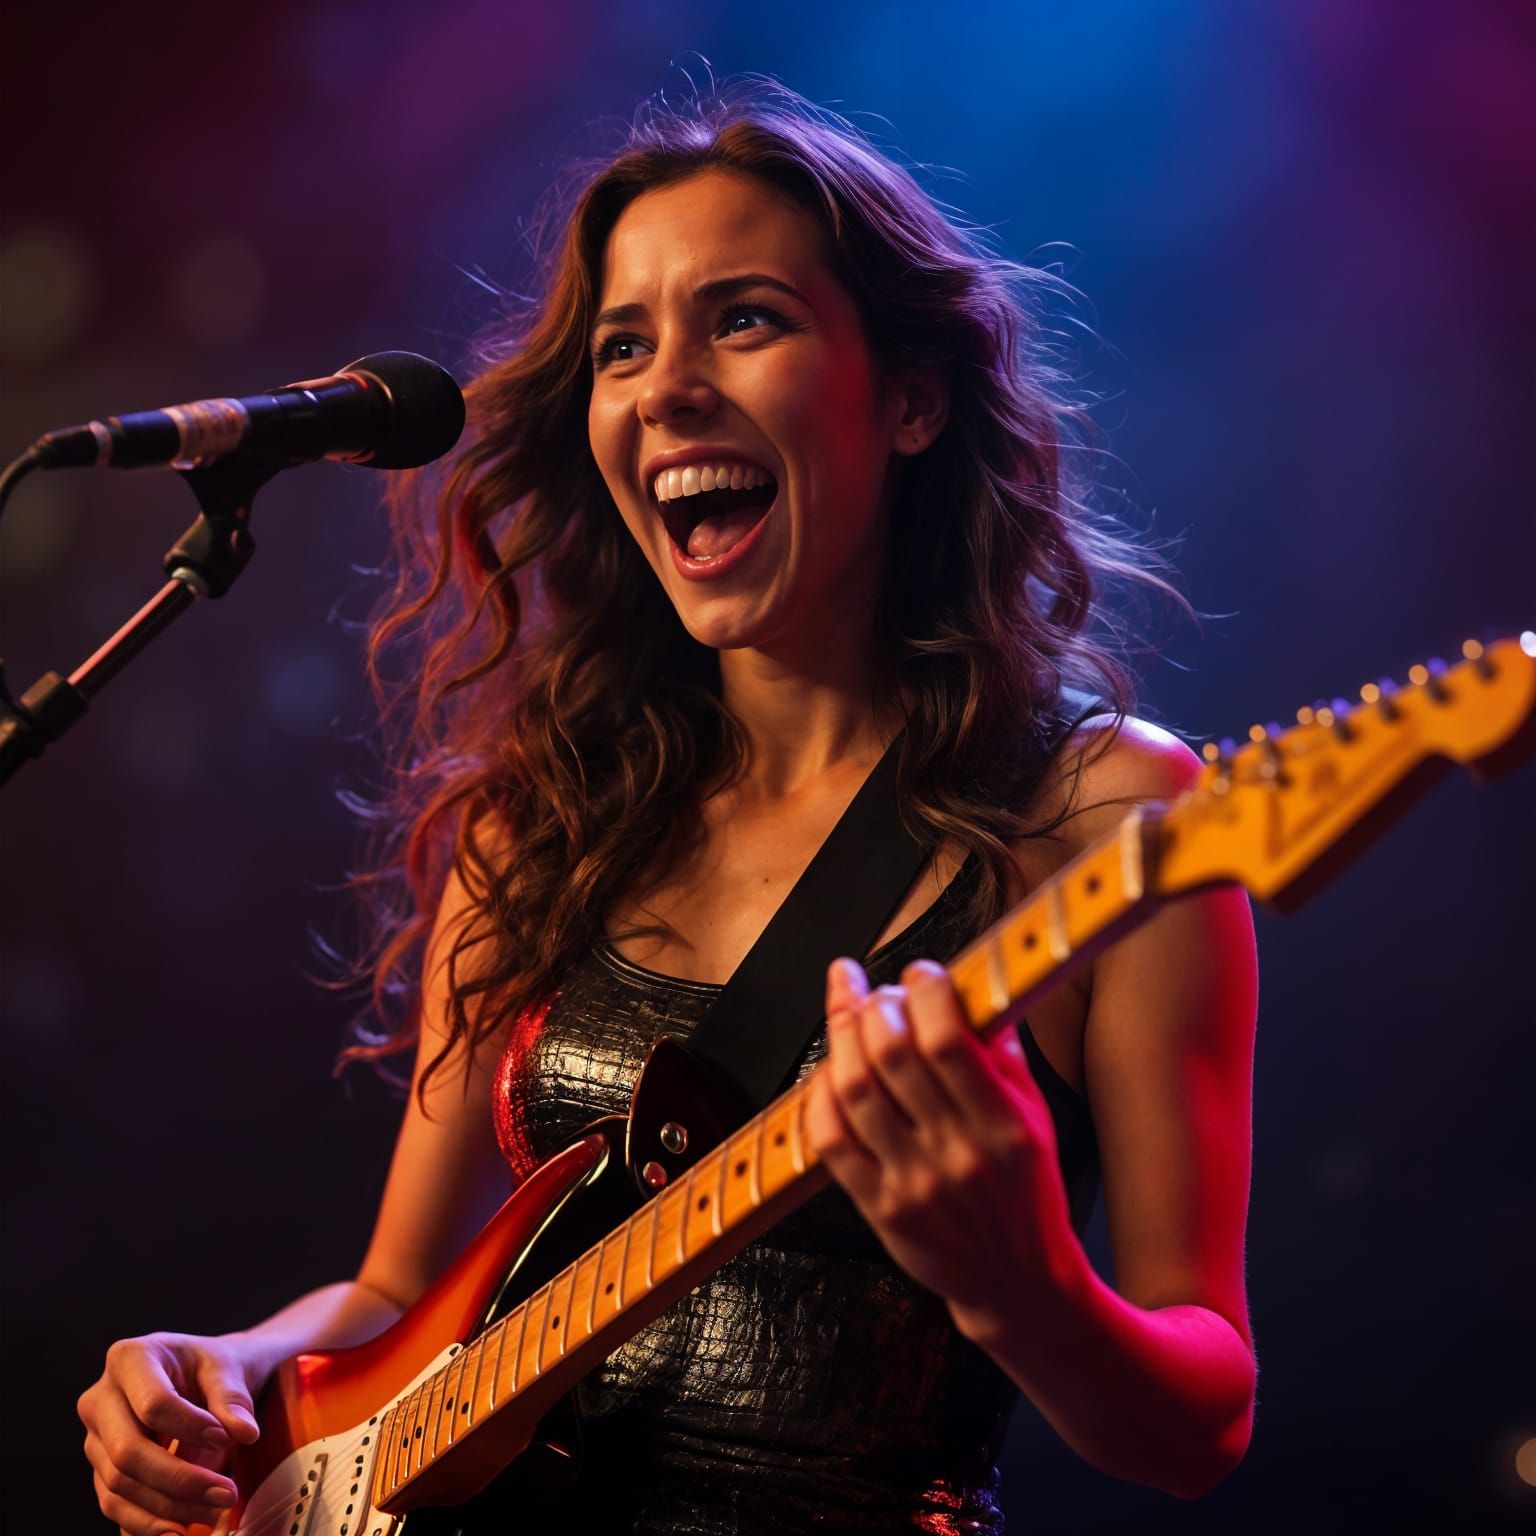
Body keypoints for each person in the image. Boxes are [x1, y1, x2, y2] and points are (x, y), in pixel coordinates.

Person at [78, 82, 1259, 1535]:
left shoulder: (1113, 812)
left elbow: (1204, 1421)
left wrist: (1028, 1285)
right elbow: (395, 1294)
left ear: (911, 397)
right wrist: (227, 1370)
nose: (665, 389)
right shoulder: (543, 816)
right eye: (622, 347)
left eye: (744, 320)